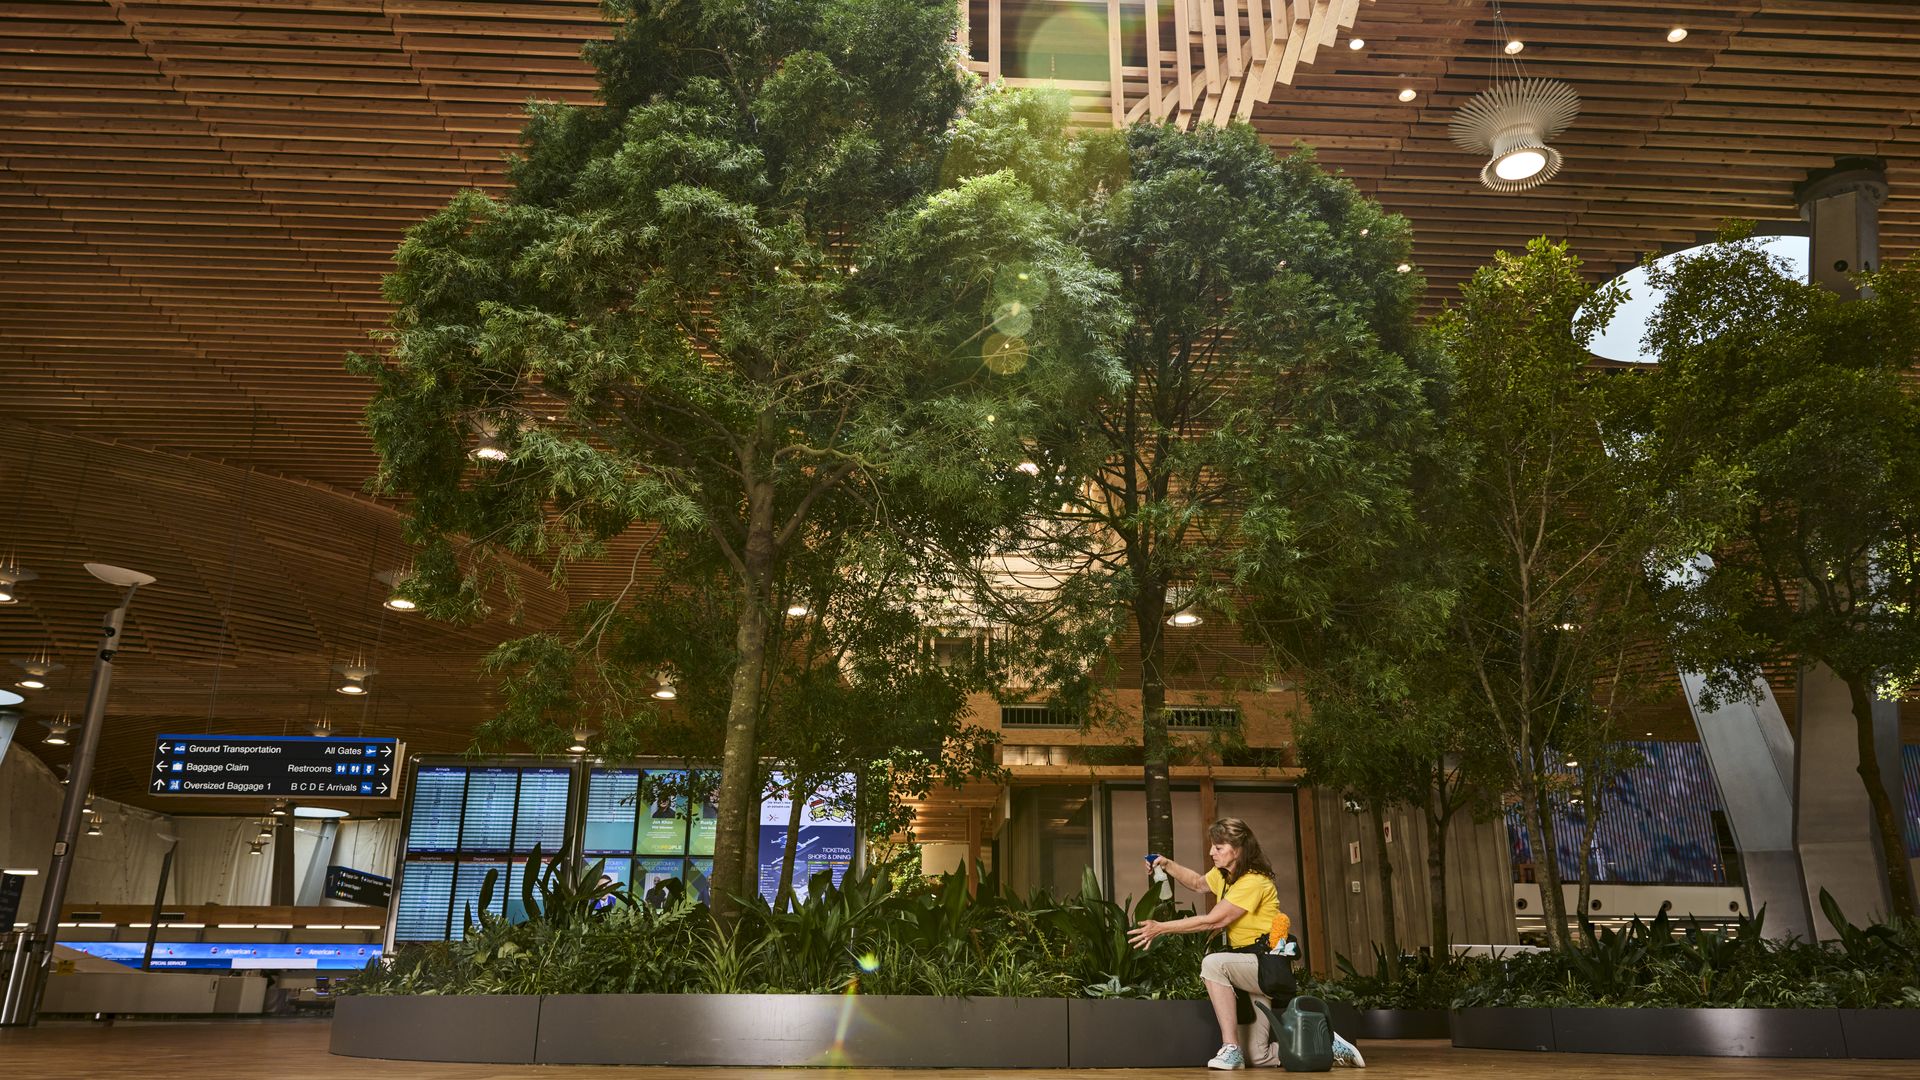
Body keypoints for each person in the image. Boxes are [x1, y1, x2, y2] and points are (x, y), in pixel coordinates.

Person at [1127, 818, 1365, 1070]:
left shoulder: (1253, 882)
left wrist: (1161, 928)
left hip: (1267, 964)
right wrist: (1167, 863)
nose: (1211, 852)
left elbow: (1213, 921)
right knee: (1258, 1056)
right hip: (1247, 963)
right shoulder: (1225, 876)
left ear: (1238, 849)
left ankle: (1230, 1047)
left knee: (1213, 964)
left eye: (1219, 847)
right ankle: (1325, 1044)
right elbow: (1197, 883)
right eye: (1212, 846)